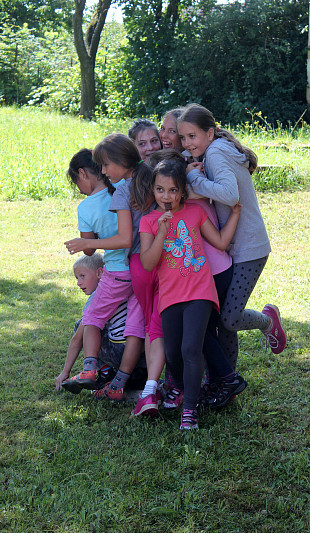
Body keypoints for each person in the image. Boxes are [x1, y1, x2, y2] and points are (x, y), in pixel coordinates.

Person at [65, 135, 164, 417]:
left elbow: (121, 238)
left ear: (120, 162)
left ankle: (89, 370)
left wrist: (85, 244)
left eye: (106, 165)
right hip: (150, 267)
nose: (104, 171)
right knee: (137, 328)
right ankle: (120, 383)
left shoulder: (120, 192)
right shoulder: (145, 179)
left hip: (125, 267)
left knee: (92, 318)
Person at [139, 158, 242, 430]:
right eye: (161, 190)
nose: (167, 196)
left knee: (190, 348)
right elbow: (148, 263)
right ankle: (185, 390)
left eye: (173, 190)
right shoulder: (149, 222)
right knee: (173, 353)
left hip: (199, 291)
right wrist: (161, 232)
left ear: (183, 192)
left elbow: (220, 241)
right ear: (153, 190)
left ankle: (190, 410)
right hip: (170, 297)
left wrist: (235, 214)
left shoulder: (195, 212)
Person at [177, 104, 287, 355]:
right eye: (183, 137)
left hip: (250, 248)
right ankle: (228, 382)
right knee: (224, 321)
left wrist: (193, 178)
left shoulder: (215, 153)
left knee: (229, 318)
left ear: (210, 133)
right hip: (232, 246)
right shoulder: (213, 150)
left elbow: (229, 194)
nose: (187, 143)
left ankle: (268, 321)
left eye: (192, 136)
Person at [55, 253, 147, 394]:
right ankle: (135, 376)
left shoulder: (97, 298)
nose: (78, 282)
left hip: (119, 351)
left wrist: (65, 372)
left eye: (82, 276)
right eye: (76, 278)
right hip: (139, 351)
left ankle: (105, 374)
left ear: (100, 273)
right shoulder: (123, 288)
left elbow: (77, 340)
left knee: (83, 326)